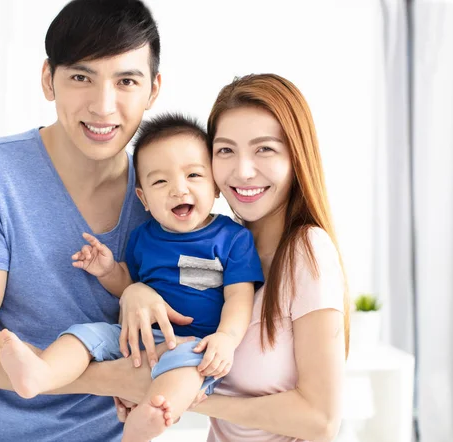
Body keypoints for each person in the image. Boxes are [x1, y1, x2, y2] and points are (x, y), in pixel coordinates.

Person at [0, 1, 191, 441]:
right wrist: (108, 379)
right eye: (81, 77)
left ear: (153, 90)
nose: (103, 106)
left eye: (126, 81)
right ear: (48, 79)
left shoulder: (167, 195)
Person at [0, 114, 265, 442]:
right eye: (160, 182)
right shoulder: (143, 238)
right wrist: (109, 270)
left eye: (194, 175)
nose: (178, 189)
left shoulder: (232, 239)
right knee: (84, 336)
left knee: (189, 372)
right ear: (143, 199)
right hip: (135, 338)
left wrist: (226, 337)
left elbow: (240, 297)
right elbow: (130, 285)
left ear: (216, 185)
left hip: (194, 345)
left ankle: (151, 417)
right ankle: (42, 373)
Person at [115, 73, 350, 442]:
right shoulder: (227, 247)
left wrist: (183, 397)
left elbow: (320, 420)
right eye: (225, 150)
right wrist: (135, 292)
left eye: (265, 149)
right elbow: (178, 310)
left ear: (296, 154)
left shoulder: (308, 251)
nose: (242, 171)